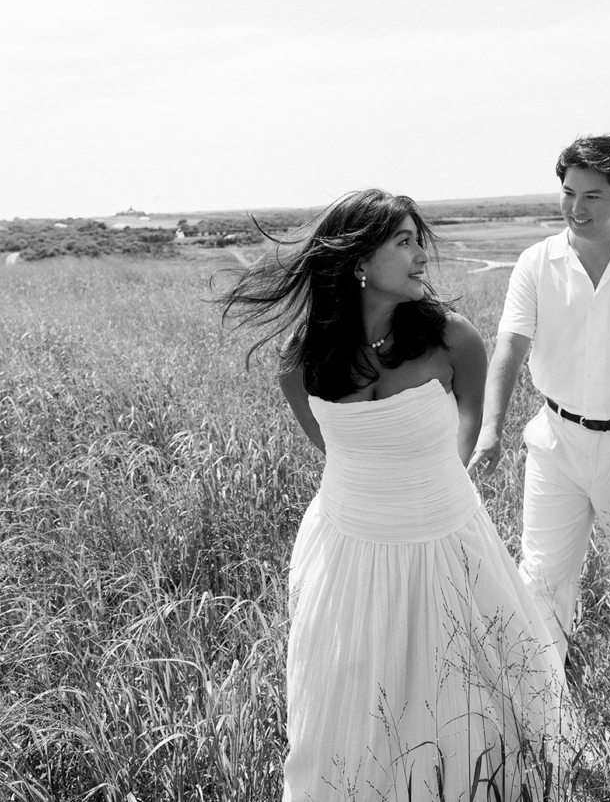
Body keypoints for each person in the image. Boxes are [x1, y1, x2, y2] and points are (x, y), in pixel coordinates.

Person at [217, 190, 566, 800]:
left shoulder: (454, 340)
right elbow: (336, 451)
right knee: (351, 696)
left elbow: (467, 435)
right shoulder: (299, 361)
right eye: (402, 242)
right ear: (358, 262)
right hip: (347, 546)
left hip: (447, 541)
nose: (420, 255)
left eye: (418, 239)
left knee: (466, 701)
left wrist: (427, 495)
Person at [469, 134, 610, 663]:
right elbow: (509, 350)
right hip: (555, 443)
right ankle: (544, 704)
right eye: (568, 193)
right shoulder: (535, 263)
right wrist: (491, 428)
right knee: (541, 577)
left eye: (592, 196)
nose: (576, 208)